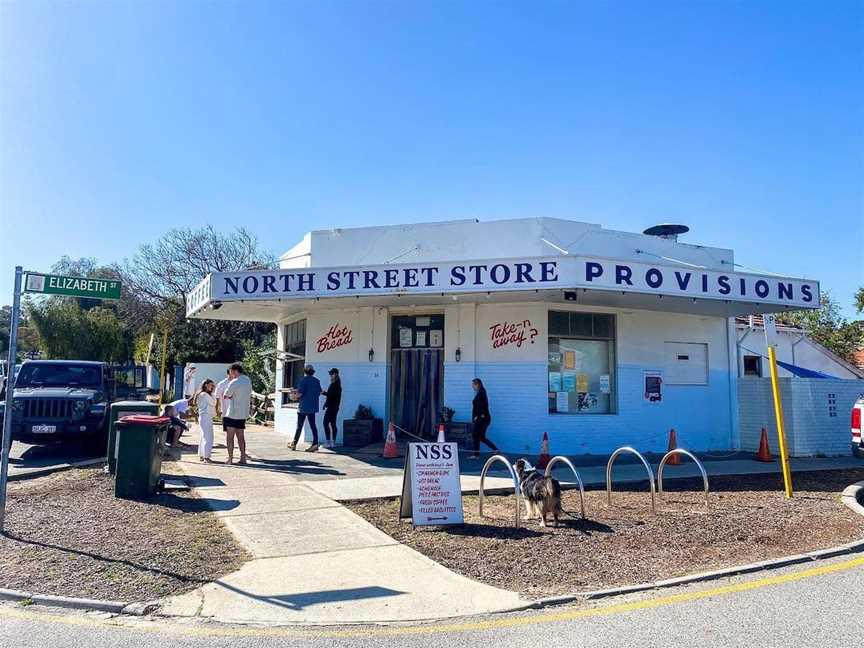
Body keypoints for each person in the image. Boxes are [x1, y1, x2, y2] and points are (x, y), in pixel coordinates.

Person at [222, 363, 253, 465]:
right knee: (241, 437)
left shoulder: (234, 382)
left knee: (230, 438)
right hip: (243, 413)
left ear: (235, 371)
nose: (230, 375)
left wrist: (231, 395)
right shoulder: (247, 380)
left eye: (231, 372)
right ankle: (243, 457)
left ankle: (230, 459)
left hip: (232, 413)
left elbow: (226, 395)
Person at [290, 364, 322, 452]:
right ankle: (315, 444)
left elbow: (300, 393)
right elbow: (319, 392)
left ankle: (294, 443)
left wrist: (293, 396)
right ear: (313, 372)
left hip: (303, 407)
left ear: (305, 371)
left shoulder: (303, 380)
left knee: (299, 426)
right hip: (313, 407)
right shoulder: (317, 381)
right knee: (313, 426)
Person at [470, 378, 499, 459]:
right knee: (480, 437)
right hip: (483, 418)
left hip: (482, 419)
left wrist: (479, 416)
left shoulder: (481, 393)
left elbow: (482, 405)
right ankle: (495, 449)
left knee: (476, 435)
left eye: (473, 384)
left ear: (477, 384)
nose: (472, 386)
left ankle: (476, 455)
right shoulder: (480, 392)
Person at [196, 379, 217, 462]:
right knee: (208, 437)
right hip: (206, 416)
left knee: (203, 436)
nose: (212, 387)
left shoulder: (202, 394)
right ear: (206, 385)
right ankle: (206, 457)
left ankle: (202, 455)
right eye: (211, 385)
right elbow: (213, 403)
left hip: (205, 417)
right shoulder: (205, 394)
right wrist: (213, 394)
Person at [322, 368, 342, 449]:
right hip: (334, 407)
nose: (330, 375)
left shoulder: (335, 384)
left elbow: (331, 396)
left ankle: (328, 442)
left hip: (331, 407)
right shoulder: (337, 384)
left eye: (331, 374)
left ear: (335, 374)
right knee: (332, 424)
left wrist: (323, 393)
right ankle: (332, 442)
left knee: (325, 423)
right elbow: (331, 396)